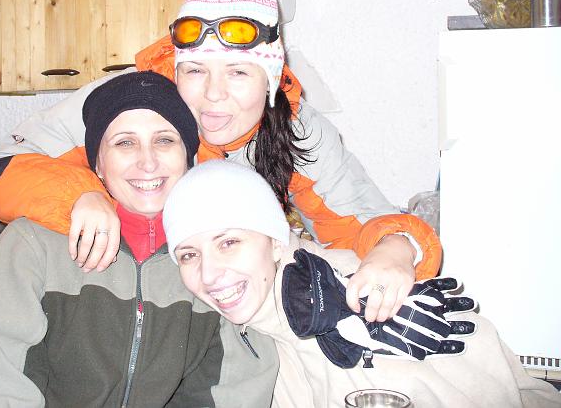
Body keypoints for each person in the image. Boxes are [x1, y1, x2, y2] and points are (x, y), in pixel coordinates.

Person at [0, 0, 441, 321]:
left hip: (230, 307)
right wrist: (82, 194)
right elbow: (1, 171)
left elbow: (361, 222)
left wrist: (397, 250)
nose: (213, 95)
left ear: (270, 79)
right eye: (195, 70)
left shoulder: (296, 128)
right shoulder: (131, 100)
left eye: (237, 72)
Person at [0, 72, 278, 407]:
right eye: (125, 143)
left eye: (165, 140)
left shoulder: (221, 257)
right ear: (98, 165)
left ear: (188, 157)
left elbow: (234, 386)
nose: (147, 162)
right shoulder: (33, 244)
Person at [162, 160, 561, 408]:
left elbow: (513, 391)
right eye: (189, 255)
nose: (209, 274)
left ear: (276, 242)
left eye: (229, 242)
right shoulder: (253, 323)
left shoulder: (356, 293)